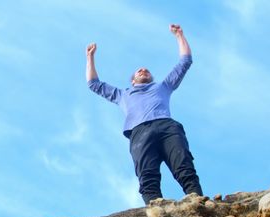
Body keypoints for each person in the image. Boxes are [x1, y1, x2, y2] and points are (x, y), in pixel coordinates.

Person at [86, 24, 203, 205]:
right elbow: (94, 84)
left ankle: (198, 201)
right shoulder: (122, 94)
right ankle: (156, 212)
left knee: (184, 165)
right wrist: (90, 57)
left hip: (167, 127)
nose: (143, 70)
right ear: (133, 81)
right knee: (147, 175)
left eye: (146, 70)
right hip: (140, 133)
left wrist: (179, 36)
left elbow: (185, 61)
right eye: (139, 71)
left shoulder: (163, 87)